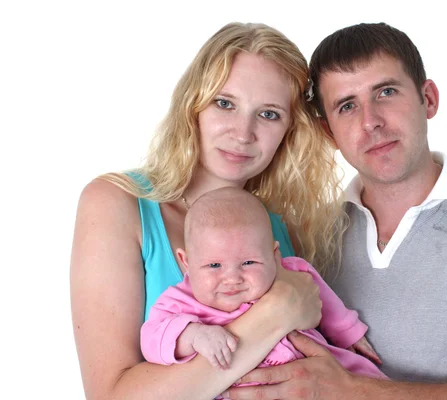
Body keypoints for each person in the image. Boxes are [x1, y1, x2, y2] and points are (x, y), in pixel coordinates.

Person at [223, 22, 447, 400]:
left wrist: (354, 391)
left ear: (429, 98)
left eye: (386, 92)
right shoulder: (310, 232)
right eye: (347, 105)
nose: (370, 121)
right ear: (328, 132)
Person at [70, 22, 346, 400]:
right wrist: (275, 313)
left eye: (268, 114)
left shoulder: (285, 226)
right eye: (225, 103)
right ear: (193, 105)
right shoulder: (117, 204)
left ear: (289, 130)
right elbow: (109, 396)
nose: (242, 133)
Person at [140, 187, 386, 390]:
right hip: (239, 389)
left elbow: (320, 293)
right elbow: (151, 339)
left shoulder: (289, 272)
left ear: (274, 254)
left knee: (364, 378)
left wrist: (347, 331)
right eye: (214, 265)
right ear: (186, 263)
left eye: (248, 262)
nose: (232, 278)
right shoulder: (178, 301)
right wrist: (194, 336)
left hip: (314, 372)